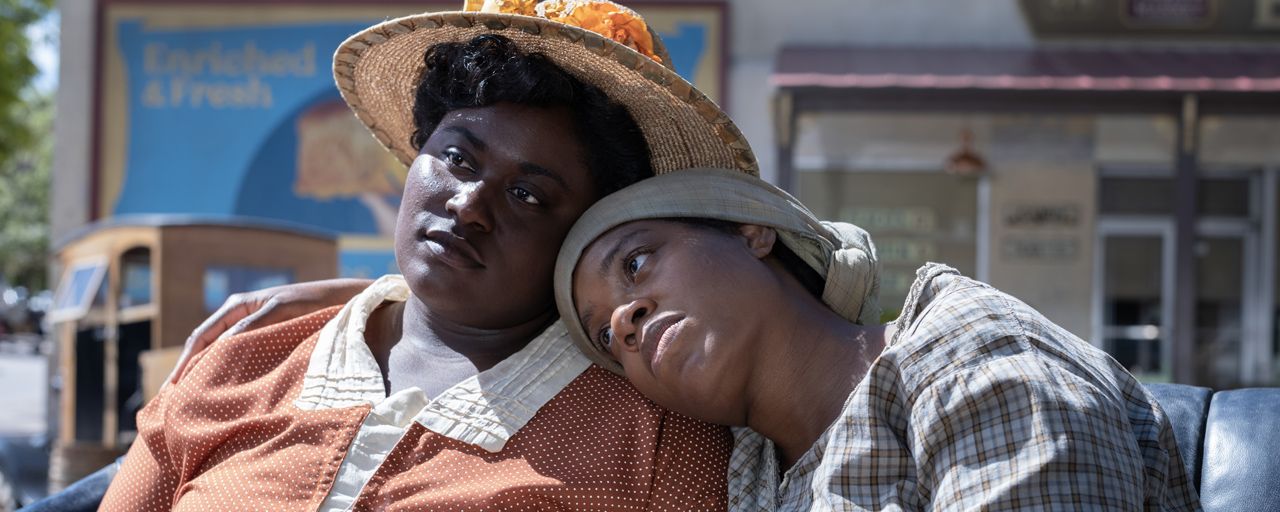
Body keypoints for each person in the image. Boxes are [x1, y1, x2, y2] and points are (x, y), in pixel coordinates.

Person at [94, 2, 760, 510]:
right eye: (456, 156)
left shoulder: (658, 443)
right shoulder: (238, 365)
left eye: (528, 194)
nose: (469, 204)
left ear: (592, 232)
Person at [553, 168, 1202, 511]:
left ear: (752, 230)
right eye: (606, 335)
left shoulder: (967, 353)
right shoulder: (747, 474)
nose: (627, 321)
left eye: (635, 263)